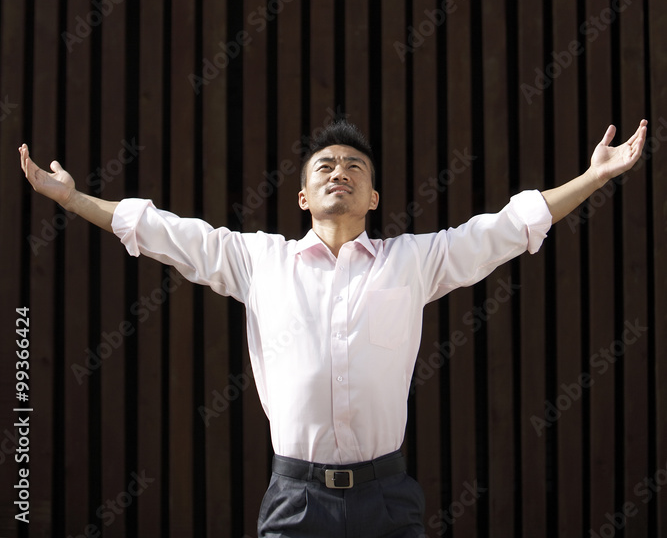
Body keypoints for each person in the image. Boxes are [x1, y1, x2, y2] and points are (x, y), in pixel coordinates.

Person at [19, 117, 648, 538]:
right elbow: (161, 231)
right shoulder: (258, 261)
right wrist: (74, 200)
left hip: (388, 496)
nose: (337, 172)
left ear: (374, 196)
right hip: (296, 499)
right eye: (323, 166)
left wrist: (594, 176)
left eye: (353, 167)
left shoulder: (414, 260)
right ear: (301, 196)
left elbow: (509, 228)